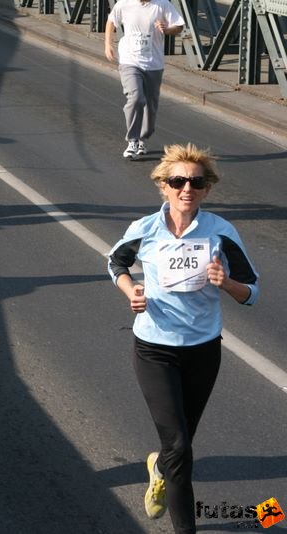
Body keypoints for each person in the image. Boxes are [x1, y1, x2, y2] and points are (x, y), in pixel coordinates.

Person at [108, 143, 259, 533]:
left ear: (207, 189)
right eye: (177, 181)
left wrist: (225, 282)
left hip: (203, 351)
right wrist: (132, 291)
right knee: (179, 448)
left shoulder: (221, 233)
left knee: (180, 444)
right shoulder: (145, 229)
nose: (186, 189)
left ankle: (158, 468)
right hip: (155, 348)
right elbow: (116, 261)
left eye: (196, 182)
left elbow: (252, 291)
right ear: (163, 185)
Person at [104, 0, 184, 159]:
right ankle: (132, 140)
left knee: (151, 105)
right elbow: (111, 21)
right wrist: (108, 44)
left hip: (154, 64)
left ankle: (143, 138)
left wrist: (167, 30)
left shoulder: (162, 4)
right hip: (130, 61)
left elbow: (179, 25)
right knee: (136, 98)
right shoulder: (124, 4)